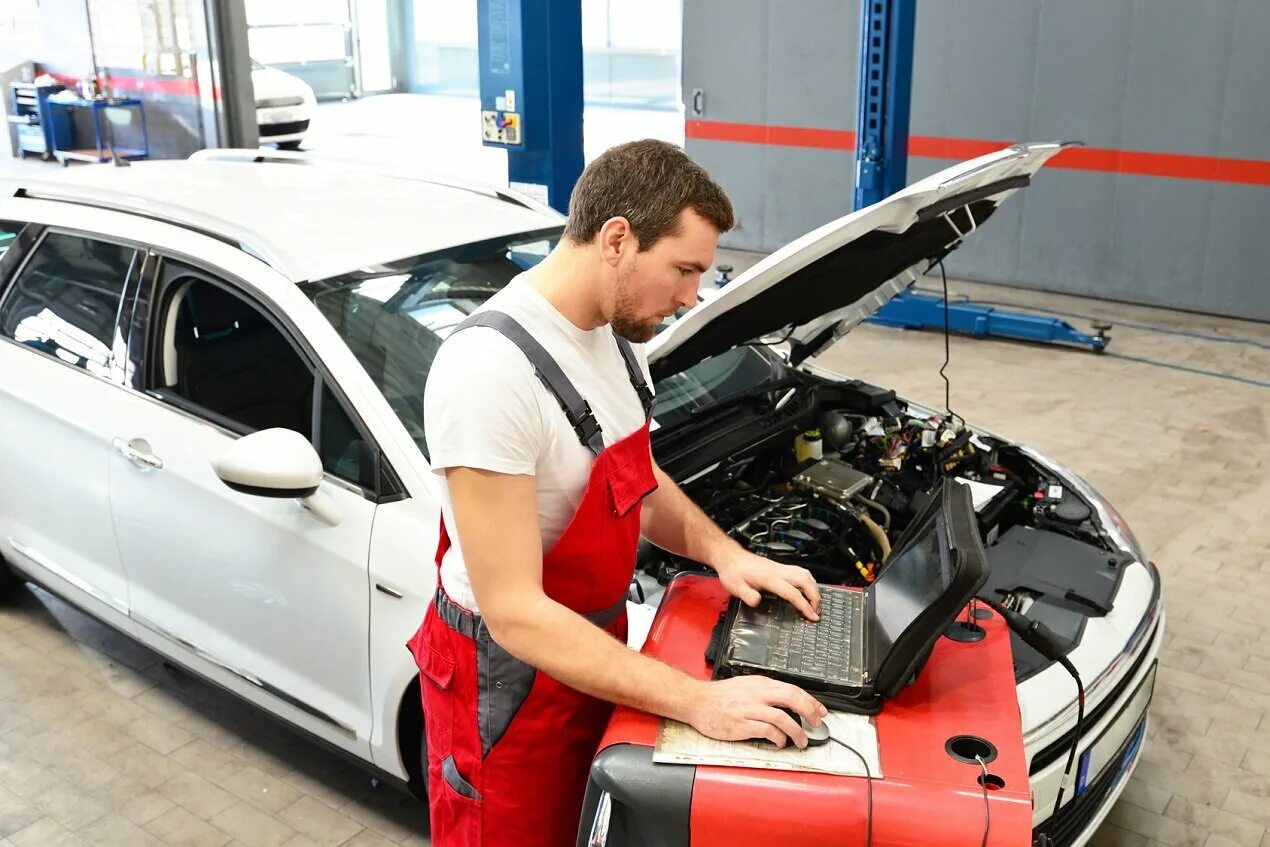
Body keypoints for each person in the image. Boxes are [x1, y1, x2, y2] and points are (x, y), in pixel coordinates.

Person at [408, 139, 825, 846]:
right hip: (506, 691)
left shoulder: (615, 334)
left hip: (590, 653)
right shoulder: (488, 372)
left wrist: (726, 554)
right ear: (617, 239)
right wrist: (700, 701)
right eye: (684, 269)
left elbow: (632, 476)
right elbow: (513, 612)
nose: (693, 294)